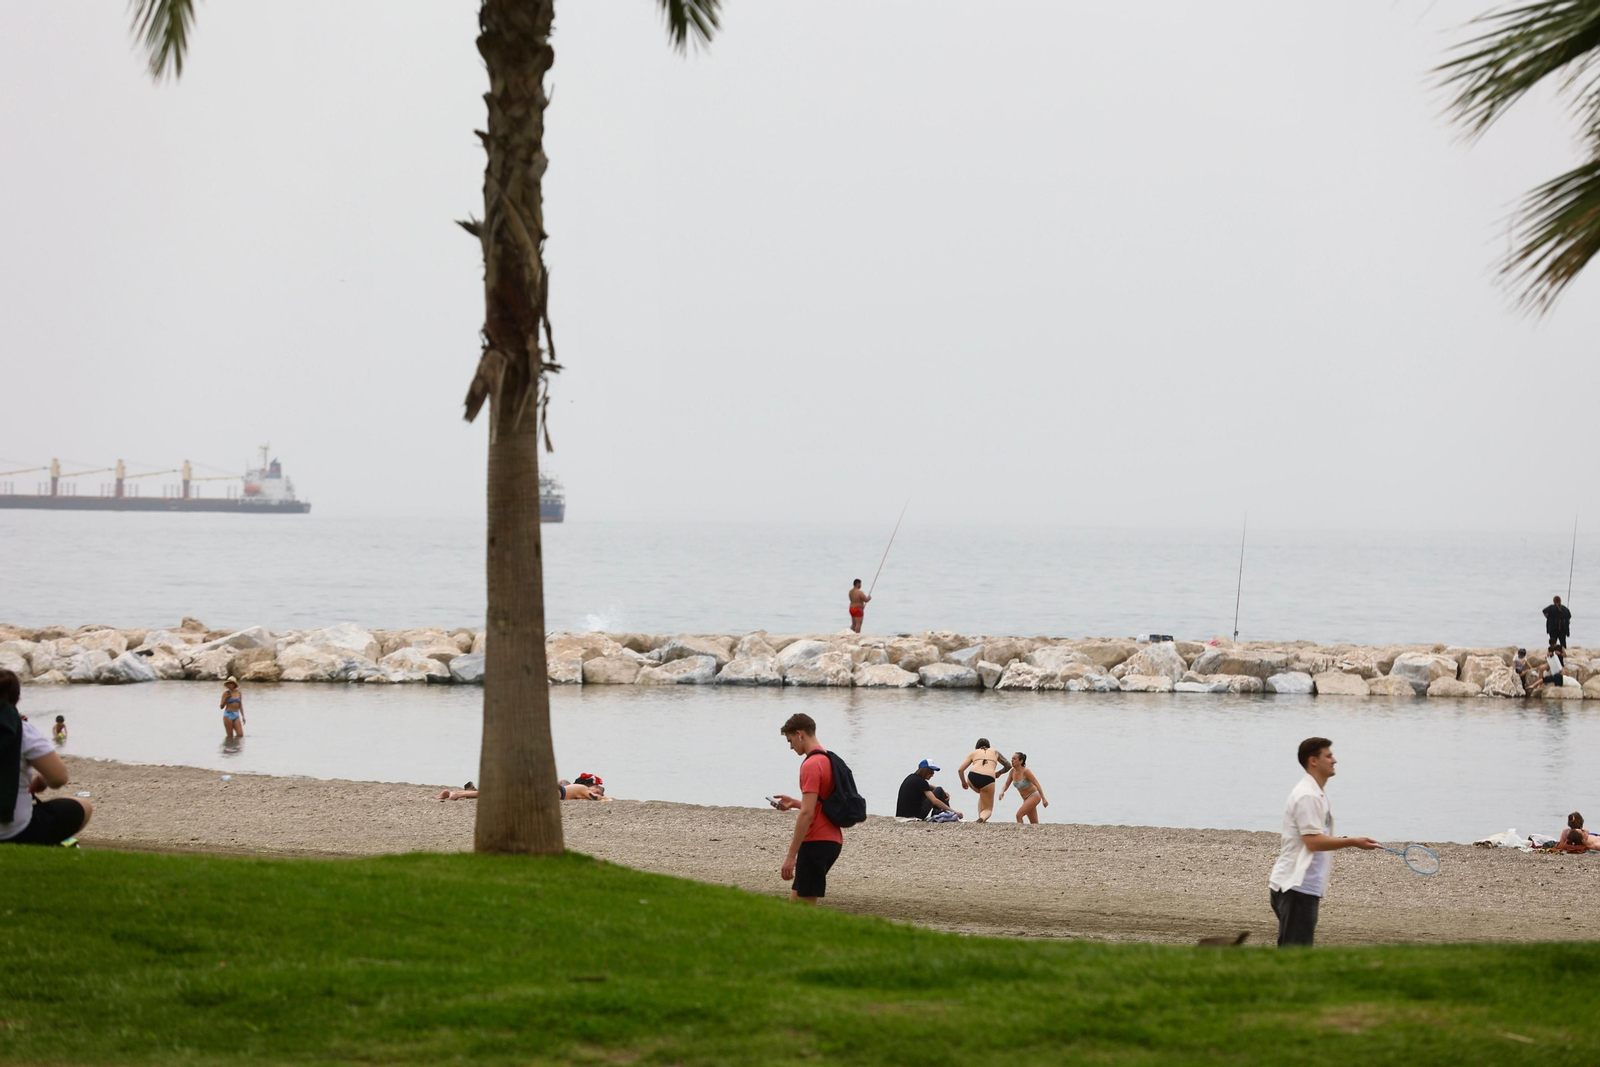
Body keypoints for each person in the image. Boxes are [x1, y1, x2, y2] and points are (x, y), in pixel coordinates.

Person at [1267, 737, 1378, 947]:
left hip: (1303, 888)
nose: (1334, 760)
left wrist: (1347, 839)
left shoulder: (1318, 792)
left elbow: (1316, 836)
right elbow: (1313, 842)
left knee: (1297, 953)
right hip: (1296, 887)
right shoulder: (1307, 795)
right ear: (1313, 761)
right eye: (1328, 756)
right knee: (1294, 956)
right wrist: (1352, 842)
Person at [0, 668, 93, 847]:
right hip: (14, 831)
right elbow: (59, 778)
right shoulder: (23, 731)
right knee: (84, 805)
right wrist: (41, 779)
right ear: (17, 700)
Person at [770, 712, 842, 903]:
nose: (791, 746)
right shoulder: (828, 759)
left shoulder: (811, 764)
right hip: (833, 840)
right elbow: (822, 805)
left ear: (800, 734)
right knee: (796, 905)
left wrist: (791, 855)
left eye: (790, 740)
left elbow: (808, 813)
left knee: (803, 911)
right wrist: (794, 803)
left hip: (816, 842)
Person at [958, 738, 1012, 823]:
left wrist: (963, 782)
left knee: (983, 795)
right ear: (989, 746)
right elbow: (1008, 765)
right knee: (988, 808)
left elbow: (960, 770)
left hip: (972, 778)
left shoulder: (974, 752)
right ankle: (983, 818)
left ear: (977, 747)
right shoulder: (995, 752)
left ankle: (980, 817)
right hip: (988, 779)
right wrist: (999, 773)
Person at [895, 759, 963, 820]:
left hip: (902, 814)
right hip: (915, 815)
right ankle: (949, 814)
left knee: (937, 790)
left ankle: (941, 813)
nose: (932, 775)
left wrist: (943, 792)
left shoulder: (912, 778)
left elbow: (927, 786)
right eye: (931, 772)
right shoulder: (921, 782)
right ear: (925, 771)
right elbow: (935, 801)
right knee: (939, 790)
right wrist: (954, 811)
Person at [997, 751, 1048, 823]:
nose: (1012, 760)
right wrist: (1002, 791)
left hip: (1034, 796)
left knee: (1019, 815)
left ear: (1021, 761)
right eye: (1012, 759)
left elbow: (1037, 784)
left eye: (1014, 759)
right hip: (1025, 799)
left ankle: (1020, 833)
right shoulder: (1012, 771)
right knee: (1034, 823)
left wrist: (1043, 798)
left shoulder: (1026, 771)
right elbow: (1006, 784)